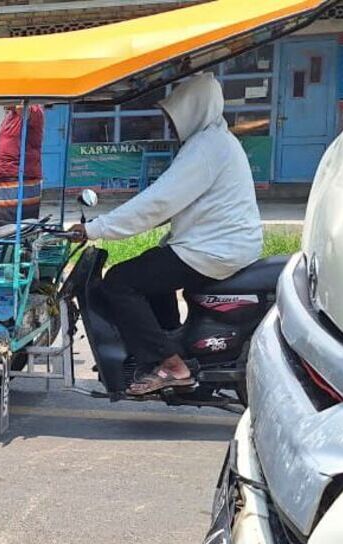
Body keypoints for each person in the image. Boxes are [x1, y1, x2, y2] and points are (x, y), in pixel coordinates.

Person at [68, 73, 262, 397]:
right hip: (216, 243)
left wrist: (95, 229)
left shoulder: (205, 148)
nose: (170, 127)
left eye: (174, 118)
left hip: (213, 249)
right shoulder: (216, 142)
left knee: (119, 282)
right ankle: (170, 344)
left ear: (193, 111)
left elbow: (158, 201)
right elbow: (173, 203)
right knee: (151, 269)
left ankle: (171, 365)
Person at [0, 104, 45, 224]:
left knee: (16, 227)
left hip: (20, 180)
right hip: (4, 178)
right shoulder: (9, 116)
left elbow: (23, 107)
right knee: (1, 226)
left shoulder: (35, 110)